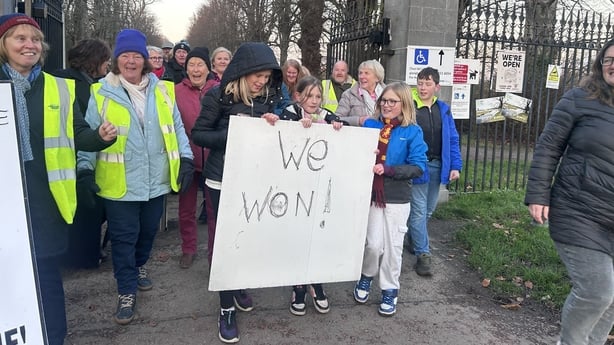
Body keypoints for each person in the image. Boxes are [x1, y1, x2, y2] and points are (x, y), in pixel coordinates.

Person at [0, 13, 117, 345]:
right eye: (20, 38)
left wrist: (102, 136)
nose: (30, 45)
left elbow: (77, 134)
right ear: (4, 45)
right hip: (4, 204)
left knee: (47, 279)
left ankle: (52, 337)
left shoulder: (58, 87)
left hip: (44, 202)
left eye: (36, 39)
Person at [77, 28, 194, 325]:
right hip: (120, 184)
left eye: (136, 56)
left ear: (145, 60)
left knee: (147, 233)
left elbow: (176, 128)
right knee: (123, 238)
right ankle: (126, 289)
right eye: (125, 56)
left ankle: (140, 265)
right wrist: (85, 169)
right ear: (117, 60)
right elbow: (88, 135)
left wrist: (186, 158)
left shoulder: (163, 90)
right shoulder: (100, 91)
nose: (131, 61)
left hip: (156, 181)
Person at [191, 41, 286, 344]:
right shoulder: (217, 96)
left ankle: (238, 286)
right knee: (227, 243)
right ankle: (226, 306)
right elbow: (199, 134)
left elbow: (278, 131)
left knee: (247, 239)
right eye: (257, 75)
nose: (262, 81)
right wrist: (233, 130)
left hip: (255, 178)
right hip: (222, 180)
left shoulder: (271, 97)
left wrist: (273, 124)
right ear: (243, 71)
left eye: (267, 76)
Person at [525, 38, 614, 345]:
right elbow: (549, 145)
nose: (613, 65)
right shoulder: (580, 99)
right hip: (579, 211)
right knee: (597, 290)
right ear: (600, 65)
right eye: (609, 59)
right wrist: (538, 193)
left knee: (611, 298)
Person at [353, 82, 427, 317]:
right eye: (384, 100)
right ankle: (366, 276)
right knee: (373, 244)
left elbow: (418, 167)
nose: (386, 105)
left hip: (396, 197)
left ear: (403, 104)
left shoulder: (412, 131)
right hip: (372, 195)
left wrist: (390, 169)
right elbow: (349, 144)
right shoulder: (371, 126)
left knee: (394, 247)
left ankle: (389, 289)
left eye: (392, 101)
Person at [279, 75, 343, 316]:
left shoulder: (325, 115)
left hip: (318, 186)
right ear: (298, 96)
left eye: (318, 96)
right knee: (298, 236)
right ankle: (298, 285)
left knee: (317, 235)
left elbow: (340, 125)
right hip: (294, 188)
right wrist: (297, 128)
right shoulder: (289, 112)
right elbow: (279, 138)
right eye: (309, 96)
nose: (314, 101)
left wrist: (336, 127)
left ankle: (315, 282)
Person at [52, 38, 113, 269]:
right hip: (76, 154)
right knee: (87, 209)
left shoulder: (75, 80)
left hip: (73, 152)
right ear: (94, 60)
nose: (107, 64)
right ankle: (85, 256)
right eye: (105, 59)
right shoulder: (76, 85)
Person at [407, 67, 462, 277]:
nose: (423, 87)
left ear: (436, 87)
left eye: (427, 84)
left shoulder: (444, 109)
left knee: (428, 210)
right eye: (420, 83)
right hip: (418, 166)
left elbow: (453, 139)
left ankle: (414, 235)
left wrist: (455, 166)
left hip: (439, 165)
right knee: (420, 211)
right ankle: (423, 255)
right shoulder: (410, 107)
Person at [175, 47, 219, 269]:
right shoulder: (175, 92)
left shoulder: (219, 90)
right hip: (188, 158)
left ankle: (214, 254)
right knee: (186, 209)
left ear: (207, 68)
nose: (195, 69)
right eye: (191, 64)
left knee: (214, 210)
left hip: (212, 160)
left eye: (200, 64)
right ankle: (188, 249)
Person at [335, 59, 386, 126]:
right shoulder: (349, 95)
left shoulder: (388, 94)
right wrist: (358, 120)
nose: (361, 76)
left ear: (377, 77)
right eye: (360, 73)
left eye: (366, 73)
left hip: (385, 134)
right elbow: (337, 118)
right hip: (359, 134)